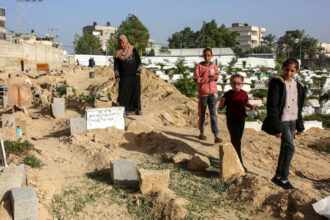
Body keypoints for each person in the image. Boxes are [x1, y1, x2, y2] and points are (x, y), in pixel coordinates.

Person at [262, 58, 307, 190]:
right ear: (282, 68)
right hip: (282, 121)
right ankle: (284, 178)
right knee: (290, 148)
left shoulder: (298, 86)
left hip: (292, 120)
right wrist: (277, 126)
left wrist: (300, 125)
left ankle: (277, 177)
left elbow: (298, 107)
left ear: (296, 71)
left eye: (292, 70)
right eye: (287, 69)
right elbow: (272, 106)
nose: (289, 72)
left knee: (285, 148)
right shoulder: (277, 83)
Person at [219, 74, 254, 171]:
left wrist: (250, 106)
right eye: (234, 83)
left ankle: (234, 160)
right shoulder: (227, 94)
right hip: (231, 120)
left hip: (241, 119)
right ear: (230, 84)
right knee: (236, 141)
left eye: (238, 84)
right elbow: (221, 107)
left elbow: (245, 102)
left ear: (242, 84)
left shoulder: (244, 93)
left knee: (238, 141)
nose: (236, 86)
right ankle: (240, 164)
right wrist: (221, 102)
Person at [193, 48, 222, 143]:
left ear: (212, 56)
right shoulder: (199, 67)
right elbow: (196, 79)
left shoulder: (214, 66)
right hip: (203, 94)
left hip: (213, 93)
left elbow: (217, 76)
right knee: (202, 113)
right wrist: (207, 79)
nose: (207, 57)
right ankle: (202, 132)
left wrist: (215, 77)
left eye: (208, 55)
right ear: (203, 56)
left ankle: (216, 135)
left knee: (213, 114)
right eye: (205, 55)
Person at [114, 35, 142, 115]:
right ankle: (125, 109)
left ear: (126, 42)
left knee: (135, 92)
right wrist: (117, 75)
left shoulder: (133, 49)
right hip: (124, 77)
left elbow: (139, 61)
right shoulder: (117, 53)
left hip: (134, 76)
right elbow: (116, 66)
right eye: (120, 43)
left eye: (123, 42)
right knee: (124, 93)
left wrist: (138, 71)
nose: (121, 44)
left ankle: (136, 109)